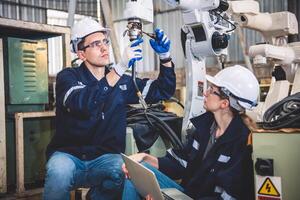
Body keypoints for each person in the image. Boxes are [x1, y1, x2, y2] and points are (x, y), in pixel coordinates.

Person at [43, 17, 176, 200]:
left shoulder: (123, 82)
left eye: (105, 41)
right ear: (81, 54)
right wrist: (120, 68)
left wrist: (165, 57)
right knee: (58, 173)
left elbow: (162, 90)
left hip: (105, 158)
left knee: (125, 172)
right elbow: (83, 103)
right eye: (96, 44)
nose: (105, 48)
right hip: (69, 156)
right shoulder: (68, 77)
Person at [122, 65, 260, 200]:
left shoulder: (242, 141)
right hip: (188, 194)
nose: (205, 92)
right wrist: (144, 158)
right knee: (133, 173)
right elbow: (181, 163)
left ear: (224, 103)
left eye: (212, 90)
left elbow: (227, 195)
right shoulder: (206, 127)